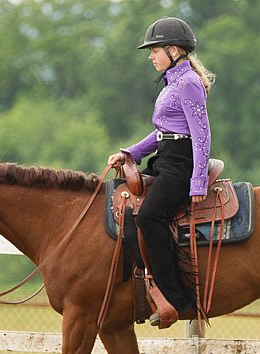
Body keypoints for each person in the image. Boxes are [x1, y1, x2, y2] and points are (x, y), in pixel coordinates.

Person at [107, 16, 215, 328]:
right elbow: (162, 133)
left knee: (150, 216)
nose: (150, 56)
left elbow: (201, 135)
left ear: (173, 50)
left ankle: (177, 300)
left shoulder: (189, 84)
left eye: (154, 50)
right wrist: (130, 153)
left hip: (181, 164)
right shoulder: (172, 83)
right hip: (164, 159)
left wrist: (197, 183)